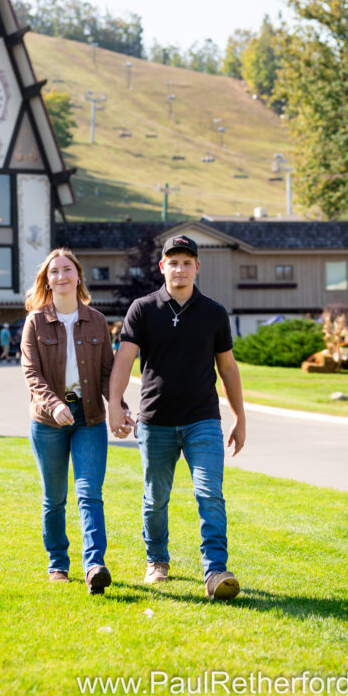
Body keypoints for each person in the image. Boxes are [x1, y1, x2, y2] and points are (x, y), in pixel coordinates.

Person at [108, 234, 246, 601]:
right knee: (155, 498)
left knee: (210, 494)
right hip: (155, 420)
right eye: (174, 262)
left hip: (203, 419)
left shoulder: (214, 313)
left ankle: (216, 572)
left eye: (187, 262)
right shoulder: (143, 309)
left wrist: (240, 417)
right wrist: (114, 402)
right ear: (162, 267)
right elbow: (124, 358)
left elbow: (228, 368)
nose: (180, 268)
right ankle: (157, 561)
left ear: (197, 267)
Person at [21, 248, 130, 594]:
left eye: (68, 270)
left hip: (89, 419)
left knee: (90, 494)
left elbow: (106, 374)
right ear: (47, 280)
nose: (62, 276)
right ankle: (57, 564)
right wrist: (53, 406)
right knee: (54, 498)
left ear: (78, 276)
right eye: (55, 272)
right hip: (47, 421)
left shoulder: (96, 321)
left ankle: (94, 565)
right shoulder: (36, 321)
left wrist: (119, 407)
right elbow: (31, 373)